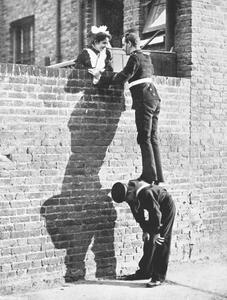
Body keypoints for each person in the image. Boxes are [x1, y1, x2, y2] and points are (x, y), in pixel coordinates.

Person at [89, 29, 164, 184]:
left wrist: (101, 77)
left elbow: (122, 77)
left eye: (124, 45)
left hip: (144, 100)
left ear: (130, 44)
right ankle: (159, 177)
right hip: (155, 99)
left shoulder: (134, 58)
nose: (124, 49)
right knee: (153, 137)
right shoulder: (147, 58)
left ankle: (149, 176)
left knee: (144, 137)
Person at [111, 179, 175, 287]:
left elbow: (156, 214)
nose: (128, 201)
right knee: (149, 241)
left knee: (161, 241)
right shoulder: (130, 195)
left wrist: (156, 233)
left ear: (130, 192)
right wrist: (145, 230)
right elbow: (138, 214)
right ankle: (144, 272)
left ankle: (158, 277)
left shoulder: (145, 193)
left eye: (127, 199)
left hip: (166, 207)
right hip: (155, 211)